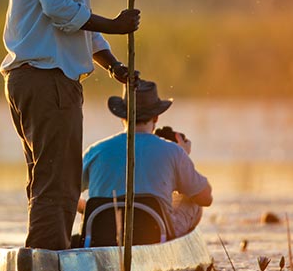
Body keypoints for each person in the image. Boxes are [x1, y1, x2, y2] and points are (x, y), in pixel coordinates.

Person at [0, 0, 140, 250]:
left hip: (32, 79)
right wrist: (115, 25)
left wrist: (114, 66)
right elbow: (59, 10)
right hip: (47, 80)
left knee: (46, 175)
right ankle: (47, 258)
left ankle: (44, 254)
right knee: (59, 180)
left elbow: (80, 27)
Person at [81, 80, 212, 238]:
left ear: (122, 116)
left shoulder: (95, 151)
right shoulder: (174, 152)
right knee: (192, 200)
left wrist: (88, 209)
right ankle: (173, 246)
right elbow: (205, 198)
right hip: (154, 235)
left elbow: (64, 193)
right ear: (156, 117)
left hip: (101, 235)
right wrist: (183, 155)